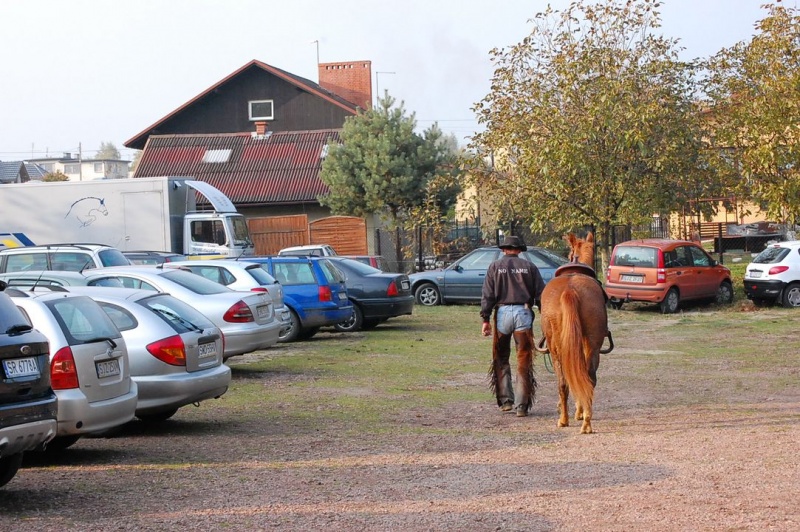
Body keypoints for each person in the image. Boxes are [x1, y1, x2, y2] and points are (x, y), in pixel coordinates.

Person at [480, 235, 546, 417]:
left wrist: (485, 319)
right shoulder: (530, 267)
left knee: (501, 357)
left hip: (502, 314)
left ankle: (506, 401)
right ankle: (522, 406)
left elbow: (487, 294)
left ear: (504, 249)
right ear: (519, 250)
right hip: (523, 313)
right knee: (523, 359)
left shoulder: (494, 267)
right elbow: (541, 294)